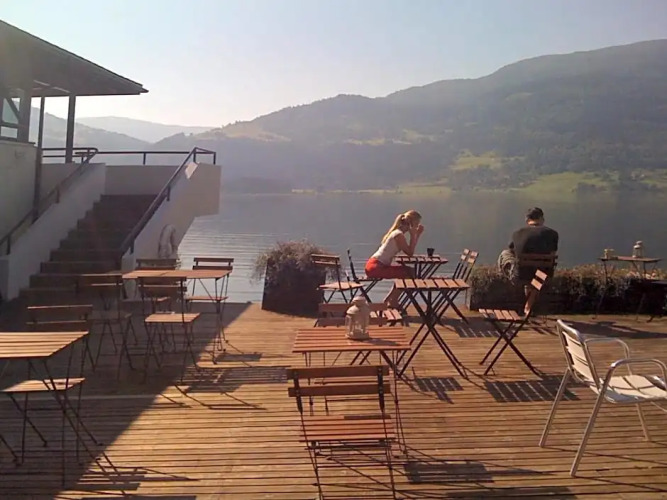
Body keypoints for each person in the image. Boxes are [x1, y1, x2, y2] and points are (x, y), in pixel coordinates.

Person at [365, 210, 424, 307]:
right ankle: (393, 301)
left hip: (375, 265)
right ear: (411, 224)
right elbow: (410, 253)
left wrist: (416, 235)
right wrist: (414, 235)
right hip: (375, 267)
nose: (417, 227)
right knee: (409, 273)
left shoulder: (397, 233)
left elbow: (409, 251)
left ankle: (389, 299)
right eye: (416, 225)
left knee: (409, 272)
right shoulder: (398, 235)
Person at [508, 207, 559, 314]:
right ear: (542, 219)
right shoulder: (553, 234)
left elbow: (512, 251)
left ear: (527, 219)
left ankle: (528, 300)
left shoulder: (517, 233)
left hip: (521, 275)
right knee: (536, 275)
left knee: (505, 255)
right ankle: (530, 301)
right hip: (543, 275)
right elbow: (553, 254)